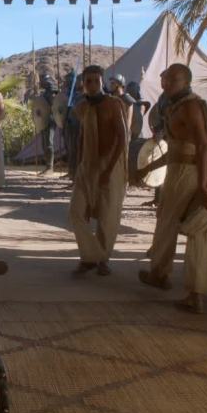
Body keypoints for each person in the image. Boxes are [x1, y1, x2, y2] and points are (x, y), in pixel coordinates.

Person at [137, 63, 207, 314]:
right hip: (180, 170)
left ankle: (194, 293)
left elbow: (203, 145)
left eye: (173, 80)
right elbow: (176, 149)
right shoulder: (174, 106)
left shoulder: (191, 106)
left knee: (195, 228)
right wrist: (149, 167)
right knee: (167, 220)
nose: (166, 83)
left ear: (186, 82)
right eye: (165, 78)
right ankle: (160, 274)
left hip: (192, 172)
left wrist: (203, 186)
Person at [69, 65, 127, 276]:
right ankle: (91, 256)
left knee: (107, 215)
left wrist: (108, 170)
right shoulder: (81, 107)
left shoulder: (113, 104)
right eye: (88, 81)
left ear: (102, 82)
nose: (92, 85)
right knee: (76, 211)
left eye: (96, 80)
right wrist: (77, 166)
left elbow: (122, 138)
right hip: (87, 165)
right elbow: (81, 137)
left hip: (110, 163)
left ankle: (102, 260)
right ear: (83, 84)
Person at [142, 71, 169, 207]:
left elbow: (173, 119)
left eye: (164, 79)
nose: (162, 82)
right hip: (162, 136)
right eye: (161, 79)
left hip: (173, 138)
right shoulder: (164, 96)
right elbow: (158, 115)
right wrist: (157, 131)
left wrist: (163, 131)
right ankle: (158, 199)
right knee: (160, 167)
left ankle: (166, 200)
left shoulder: (174, 98)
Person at [37, 74, 59, 175]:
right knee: (44, 144)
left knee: (49, 144)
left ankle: (50, 167)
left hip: (50, 120)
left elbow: (54, 106)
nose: (41, 83)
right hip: (43, 120)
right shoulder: (45, 93)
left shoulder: (51, 92)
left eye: (42, 81)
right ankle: (47, 166)